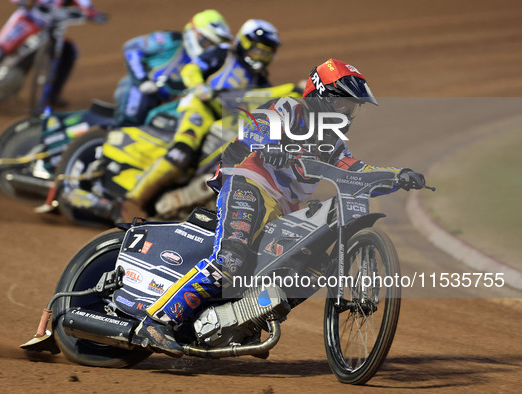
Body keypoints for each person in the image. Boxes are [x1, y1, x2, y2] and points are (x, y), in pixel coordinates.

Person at [133, 58, 427, 357]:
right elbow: (255, 128)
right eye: (344, 104)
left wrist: (396, 176)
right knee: (231, 260)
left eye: (352, 108)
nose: (348, 113)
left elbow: (355, 171)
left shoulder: (333, 140)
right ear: (323, 96)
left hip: (284, 207)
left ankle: (245, 321)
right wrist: (271, 145)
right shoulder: (289, 108)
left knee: (311, 270)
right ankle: (156, 321)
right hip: (249, 184)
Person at [121, 18, 281, 219]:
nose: (262, 56)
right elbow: (191, 68)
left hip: (223, 121)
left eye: (267, 52)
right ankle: (132, 201)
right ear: (245, 43)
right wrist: (199, 87)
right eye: (259, 50)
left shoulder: (260, 81)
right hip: (200, 106)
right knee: (181, 153)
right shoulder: (223, 54)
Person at [0, 0, 107, 108]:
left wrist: (95, 15)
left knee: (69, 52)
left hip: (52, 30)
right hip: (28, 21)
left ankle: (52, 95)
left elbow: (88, 7)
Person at [113, 9, 232, 126]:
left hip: (158, 101)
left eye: (213, 45)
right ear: (197, 33)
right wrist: (142, 80)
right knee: (129, 123)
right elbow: (131, 48)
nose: (209, 48)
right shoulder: (172, 40)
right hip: (136, 90)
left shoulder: (204, 62)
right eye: (209, 42)